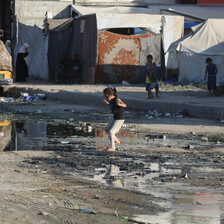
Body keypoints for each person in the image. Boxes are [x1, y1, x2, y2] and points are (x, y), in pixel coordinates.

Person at [103, 87, 126, 151]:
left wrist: (119, 104)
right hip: (115, 118)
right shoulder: (111, 101)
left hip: (120, 118)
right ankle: (116, 141)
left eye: (106, 96)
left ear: (110, 94)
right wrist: (107, 103)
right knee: (107, 129)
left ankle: (112, 147)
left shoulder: (117, 100)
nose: (105, 97)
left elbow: (125, 105)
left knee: (111, 131)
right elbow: (111, 105)